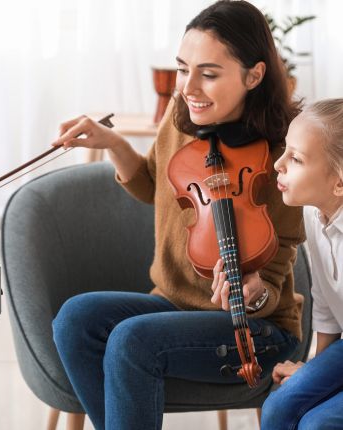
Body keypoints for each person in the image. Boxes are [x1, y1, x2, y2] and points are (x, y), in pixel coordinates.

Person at [52, 1, 305, 429]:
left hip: (252, 329)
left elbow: (274, 286)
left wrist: (254, 287)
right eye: (183, 69)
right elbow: (154, 186)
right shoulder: (182, 113)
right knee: (76, 319)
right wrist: (112, 143)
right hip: (171, 304)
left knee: (131, 341)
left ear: (254, 75)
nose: (189, 87)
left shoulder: (281, 153)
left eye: (208, 74)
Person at [261, 99, 343, 430]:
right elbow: (325, 303)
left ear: (339, 182)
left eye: (295, 158)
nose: (278, 164)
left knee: (317, 424)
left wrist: (315, 379)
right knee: (278, 408)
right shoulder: (312, 214)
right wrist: (314, 368)